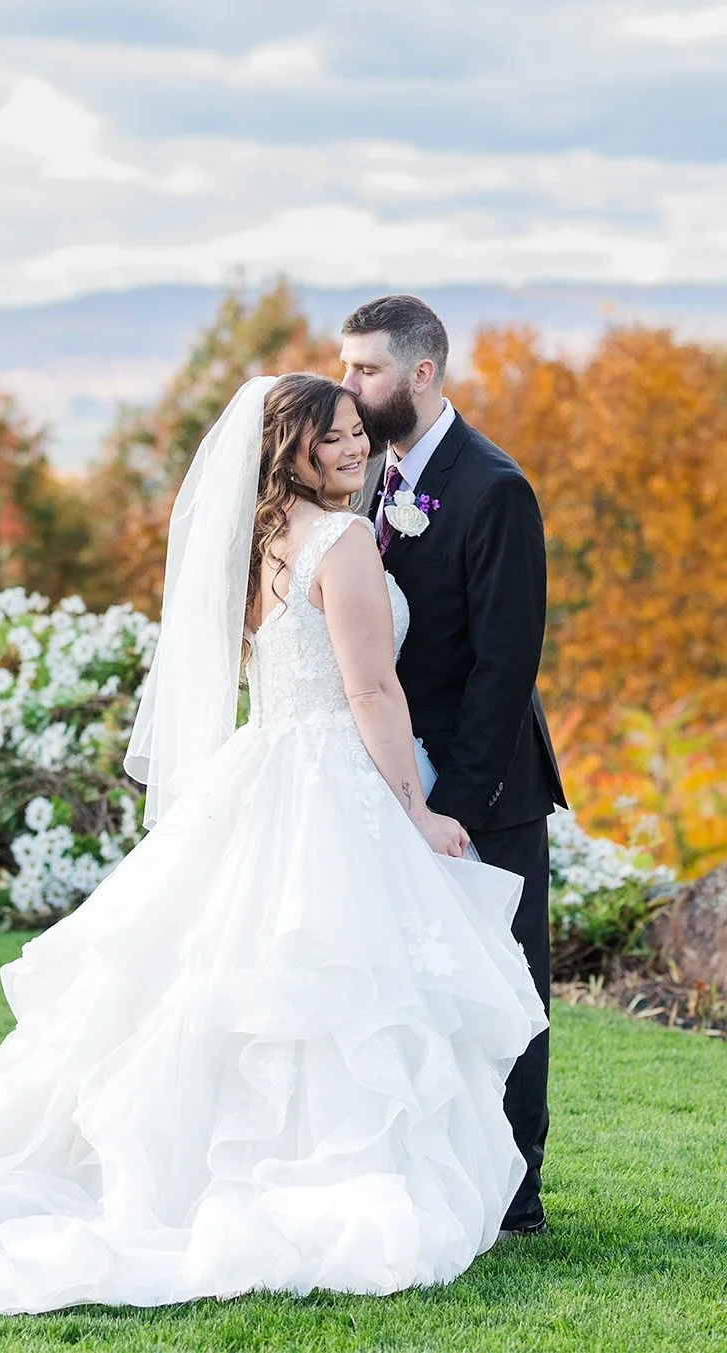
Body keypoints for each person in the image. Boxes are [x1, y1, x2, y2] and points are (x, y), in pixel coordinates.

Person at [0, 374, 546, 1315]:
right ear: (293, 450)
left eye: (359, 432)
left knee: (247, 980)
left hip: (263, 769)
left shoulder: (255, 542)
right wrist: (416, 812)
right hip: (328, 777)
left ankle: (231, 1162)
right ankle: (320, 1169)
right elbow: (372, 694)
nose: (355, 448)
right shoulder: (347, 539)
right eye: (334, 438)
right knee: (331, 984)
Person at [339, 295, 567, 1235]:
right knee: (422, 984)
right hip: (401, 780)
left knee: (508, 987)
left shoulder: (494, 487)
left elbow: (509, 662)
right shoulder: (369, 478)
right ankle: (433, 1171)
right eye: (346, 367)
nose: (348, 387)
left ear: (422, 373)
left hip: (487, 785)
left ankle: (516, 1192)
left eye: (366, 370)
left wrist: (457, 802)